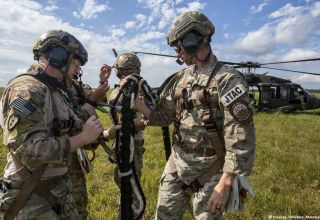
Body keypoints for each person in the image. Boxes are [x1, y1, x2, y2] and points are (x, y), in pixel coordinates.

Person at [134, 11, 256, 219]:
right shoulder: (180, 78)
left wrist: (226, 182)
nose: (177, 54)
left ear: (193, 40)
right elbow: (163, 116)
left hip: (211, 171)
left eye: (179, 47)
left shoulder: (227, 80)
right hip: (177, 165)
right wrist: (138, 104)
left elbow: (240, 135)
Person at [0, 30, 104, 219]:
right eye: (76, 63)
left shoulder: (54, 90)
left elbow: (67, 128)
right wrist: (83, 137)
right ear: (58, 58)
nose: (78, 71)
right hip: (33, 198)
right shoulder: (28, 90)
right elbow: (31, 151)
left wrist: (98, 134)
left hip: (54, 191)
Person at [107, 53, 146, 219]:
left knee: (132, 185)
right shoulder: (116, 91)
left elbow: (151, 113)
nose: (128, 75)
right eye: (125, 71)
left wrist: (140, 123)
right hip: (120, 144)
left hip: (133, 144)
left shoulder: (141, 89)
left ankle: (131, 214)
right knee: (123, 183)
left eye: (131, 71)